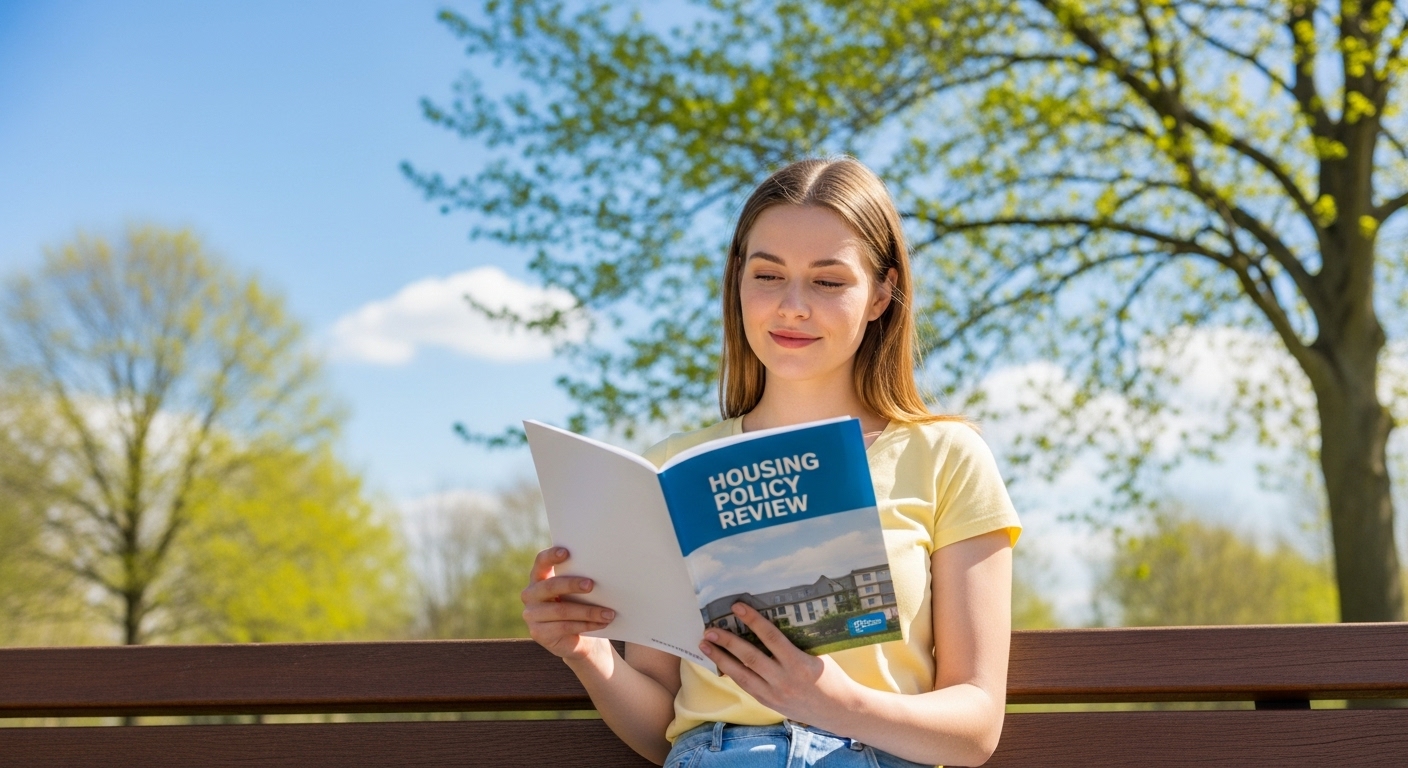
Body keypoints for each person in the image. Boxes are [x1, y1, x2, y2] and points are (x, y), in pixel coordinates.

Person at [521, 157, 1021, 767]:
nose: (791, 306)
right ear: (738, 280)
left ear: (881, 293)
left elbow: (975, 727)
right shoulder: (671, 469)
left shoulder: (945, 456)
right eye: (768, 275)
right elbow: (662, 729)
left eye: (828, 282)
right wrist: (588, 652)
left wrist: (839, 703)